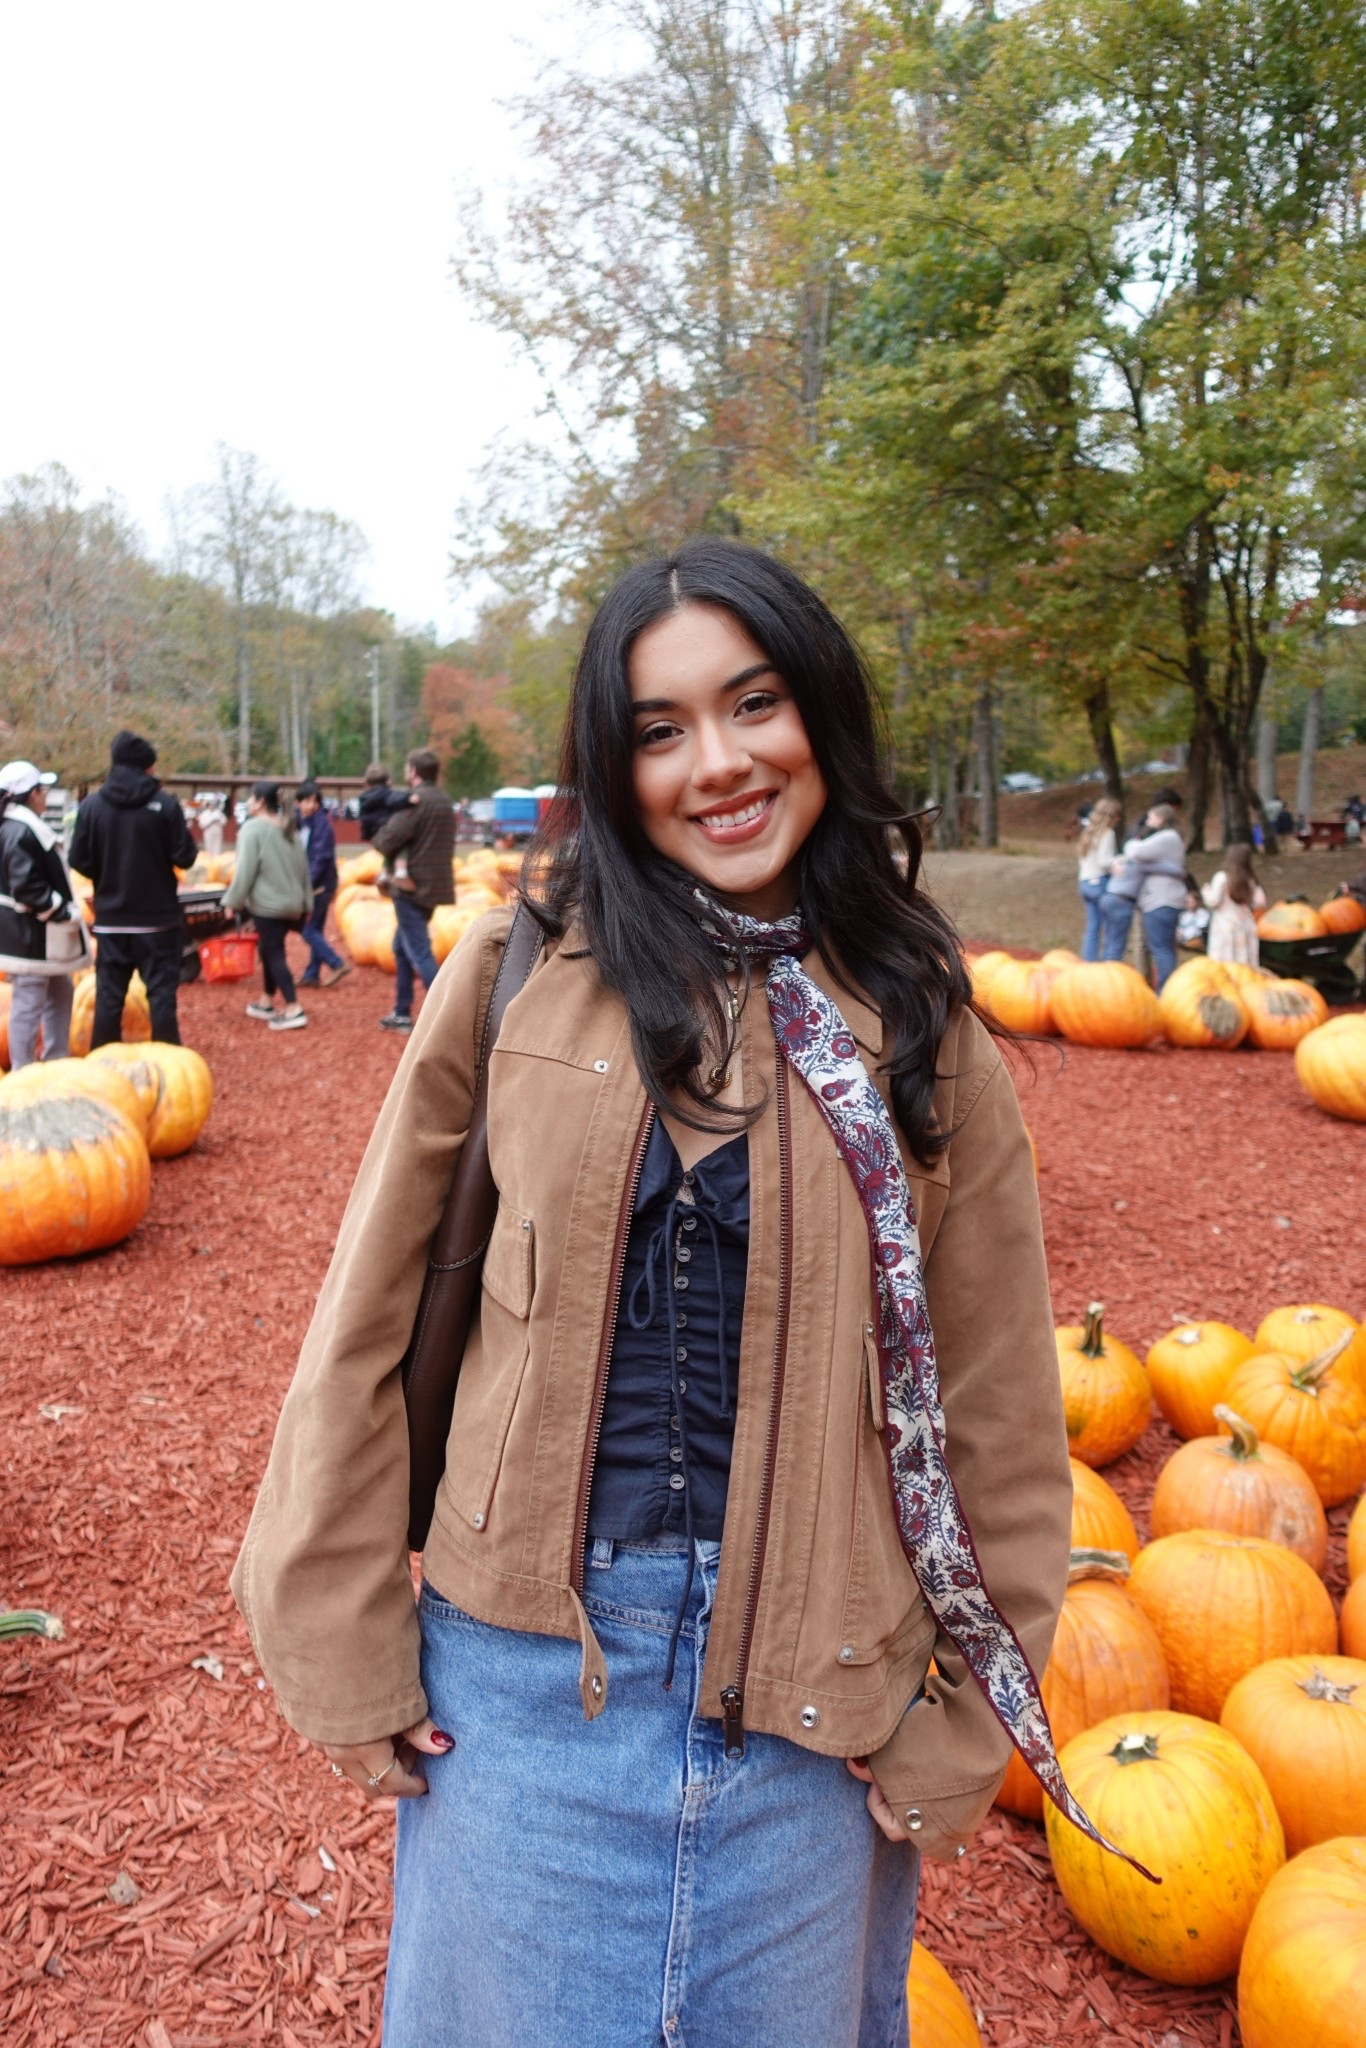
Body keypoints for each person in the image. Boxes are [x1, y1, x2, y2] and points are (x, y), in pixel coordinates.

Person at [233, 541, 1107, 2048]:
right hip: (521, 1698)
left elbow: (997, 1413)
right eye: (658, 728)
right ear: (611, 758)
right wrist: (341, 1628)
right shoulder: (520, 969)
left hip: (816, 1714)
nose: (717, 762)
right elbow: (365, 1323)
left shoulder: (916, 1022)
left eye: (751, 703)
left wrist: (971, 1713)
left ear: (816, 713)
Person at [69, 730, 197, 1047]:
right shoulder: (165, 805)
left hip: (112, 921)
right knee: (162, 998)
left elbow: (78, 860)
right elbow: (186, 856)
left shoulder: (92, 806)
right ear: (146, 767)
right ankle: (167, 1066)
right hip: (158, 921)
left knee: (109, 1000)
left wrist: (107, 872)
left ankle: (104, 1068)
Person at [0, 759, 90, 1064]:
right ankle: (23, 1073)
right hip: (31, 937)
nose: (46, 796)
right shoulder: (22, 831)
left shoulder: (12, 826)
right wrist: (59, 910)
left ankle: (55, 1059)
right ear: (33, 794)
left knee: (60, 990)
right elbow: (26, 887)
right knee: (29, 1001)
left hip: (28, 935)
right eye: (43, 789)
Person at [373, 749, 456, 1033]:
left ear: (413, 772)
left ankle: (448, 1019)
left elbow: (385, 841)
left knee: (420, 951)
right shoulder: (445, 801)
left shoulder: (414, 802)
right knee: (401, 946)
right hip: (436, 888)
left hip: (411, 888)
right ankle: (402, 1011)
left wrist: (380, 829)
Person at [221, 782, 314, 1031]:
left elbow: (245, 871)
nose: (248, 803)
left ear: (260, 801)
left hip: (268, 905)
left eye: (250, 798)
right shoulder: (289, 829)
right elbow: (304, 870)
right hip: (291, 904)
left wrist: (232, 901)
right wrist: (307, 902)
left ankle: (293, 1007)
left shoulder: (252, 829)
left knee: (273, 952)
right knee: (269, 947)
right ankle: (266, 1000)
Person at [1099, 803, 1187, 986]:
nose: (1148, 821)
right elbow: (1146, 863)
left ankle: (1164, 990)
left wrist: (1132, 842)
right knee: (1158, 948)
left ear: (1161, 819)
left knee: (1159, 949)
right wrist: (1176, 870)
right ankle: (1109, 982)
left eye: (1151, 817)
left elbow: (1135, 852)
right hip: (1149, 900)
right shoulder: (1169, 840)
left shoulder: (1166, 837)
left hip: (1160, 900)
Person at [294, 780, 350, 989]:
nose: (311, 805)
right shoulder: (299, 822)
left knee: (308, 929)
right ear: (298, 802)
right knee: (315, 927)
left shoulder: (322, 825)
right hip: (311, 883)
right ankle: (312, 974)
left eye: (314, 801)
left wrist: (306, 885)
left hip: (320, 885)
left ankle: (337, 963)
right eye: (306, 800)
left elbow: (321, 859)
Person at [1201, 844, 1266, 965]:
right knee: (1244, 962)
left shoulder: (1222, 878)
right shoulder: (1250, 880)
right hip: (1245, 924)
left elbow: (1213, 901)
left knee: (1224, 962)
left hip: (1224, 926)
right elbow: (1260, 902)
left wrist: (1206, 891)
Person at [1075, 796, 1120, 961]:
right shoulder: (1107, 833)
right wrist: (1118, 861)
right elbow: (1104, 861)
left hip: (1085, 882)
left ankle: (1089, 962)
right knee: (1110, 926)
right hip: (1100, 882)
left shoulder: (1088, 831)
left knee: (1093, 927)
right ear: (1111, 816)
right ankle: (1108, 962)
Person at [359, 762, 410, 842]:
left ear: (367, 783)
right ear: (387, 781)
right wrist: (409, 798)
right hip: (387, 833)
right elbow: (397, 799)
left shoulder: (364, 799)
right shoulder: (387, 794)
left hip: (372, 835)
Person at [199, 794, 227, 860]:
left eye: (213, 805)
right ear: (208, 806)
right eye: (210, 805)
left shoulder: (218, 812)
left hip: (217, 832)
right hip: (208, 832)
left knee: (217, 849)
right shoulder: (204, 814)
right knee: (209, 848)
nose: (211, 806)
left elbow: (224, 821)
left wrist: (218, 820)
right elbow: (202, 825)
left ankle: (216, 862)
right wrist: (211, 820)